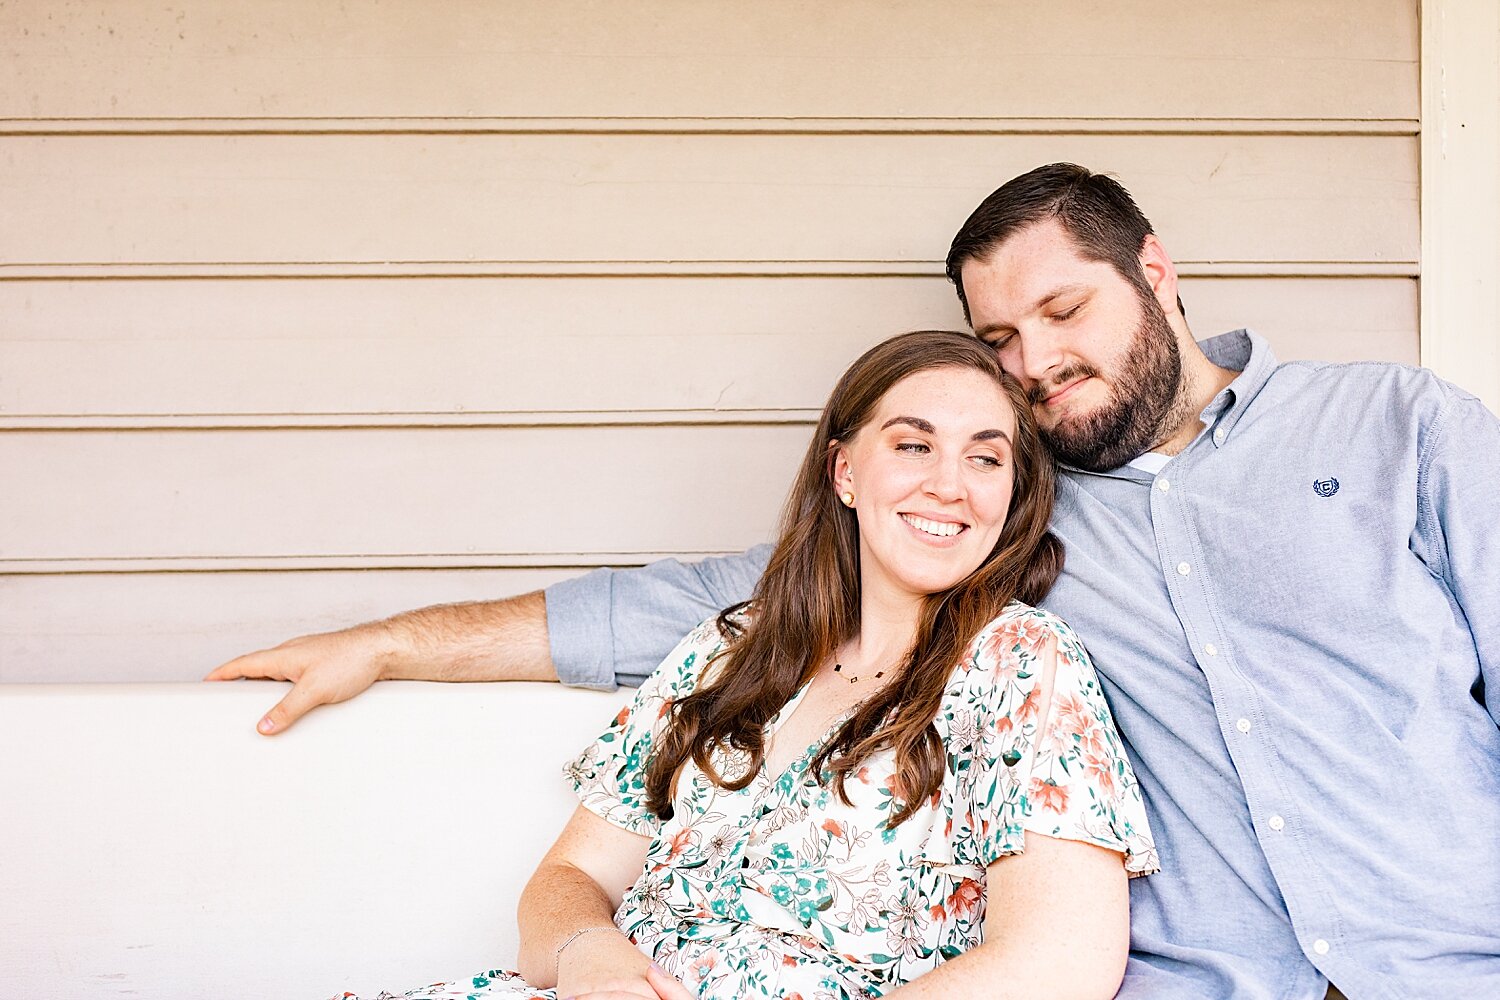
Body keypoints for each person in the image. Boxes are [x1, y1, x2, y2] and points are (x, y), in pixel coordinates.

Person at [211, 163, 1500, 998]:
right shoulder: (1014, 522)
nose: (1037, 363)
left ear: (1155, 271)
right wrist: (387, 643)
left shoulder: (1402, 430)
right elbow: (704, 606)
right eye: (1002, 339)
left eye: (1065, 311)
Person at [326, 330, 1157, 1000]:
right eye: (913, 446)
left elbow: (1059, 963)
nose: (950, 484)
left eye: (986, 457)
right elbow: (571, 873)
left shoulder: (1023, 665)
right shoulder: (732, 648)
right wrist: (588, 953)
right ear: (845, 472)